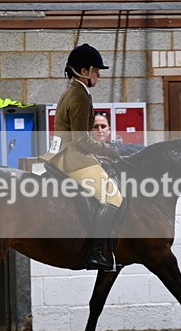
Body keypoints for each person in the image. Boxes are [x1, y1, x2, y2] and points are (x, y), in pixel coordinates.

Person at [42, 44, 123, 271]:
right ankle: (95, 255)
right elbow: (81, 140)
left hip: (61, 154)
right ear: (84, 71)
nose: (99, 75)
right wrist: (109, 150)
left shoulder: (69, 92)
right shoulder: (80, 96)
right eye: (96, 70)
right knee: (113, 197)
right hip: (72, 157)